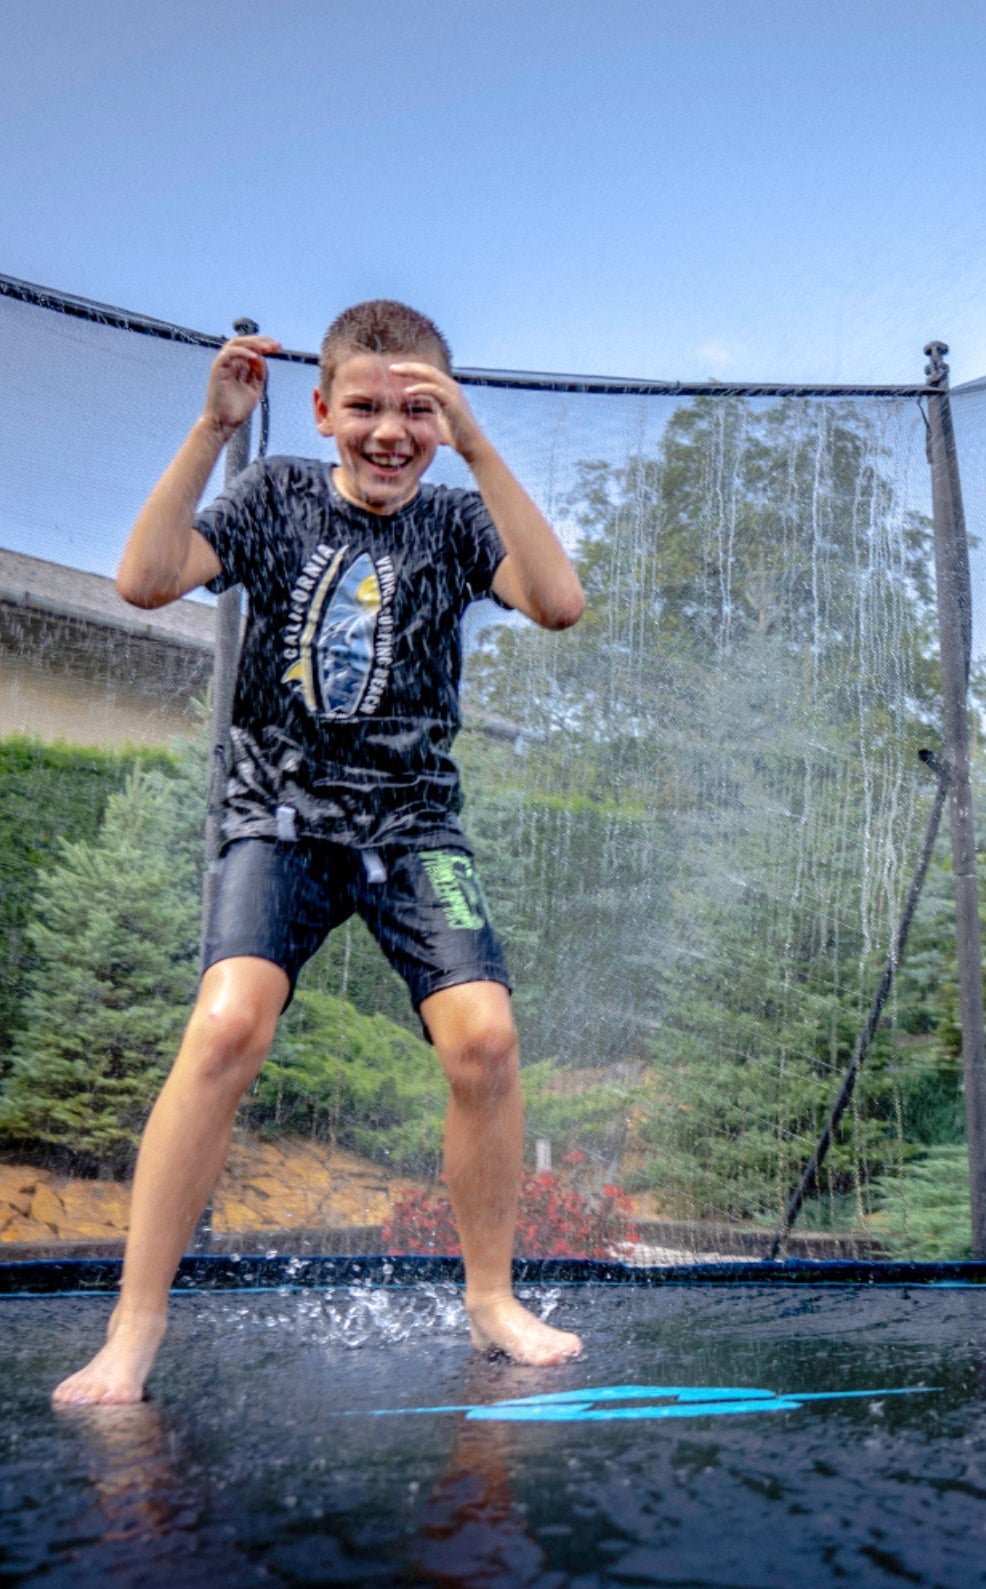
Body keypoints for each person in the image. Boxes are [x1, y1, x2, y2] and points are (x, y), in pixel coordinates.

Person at [55, 301, 588, 1405]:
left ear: (444, 418)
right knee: (227, 1021)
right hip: (278, 816)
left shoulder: (453, 519)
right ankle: (134, 1325)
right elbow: (142, 582)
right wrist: (211, 430)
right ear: (321, 409)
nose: (389, 430)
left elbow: (558, 604)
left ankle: (489, 1298)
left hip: (413, 822)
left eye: (419, 410)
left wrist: (481, 449)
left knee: (484, 1039)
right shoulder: (274, 495)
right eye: (365, 407)